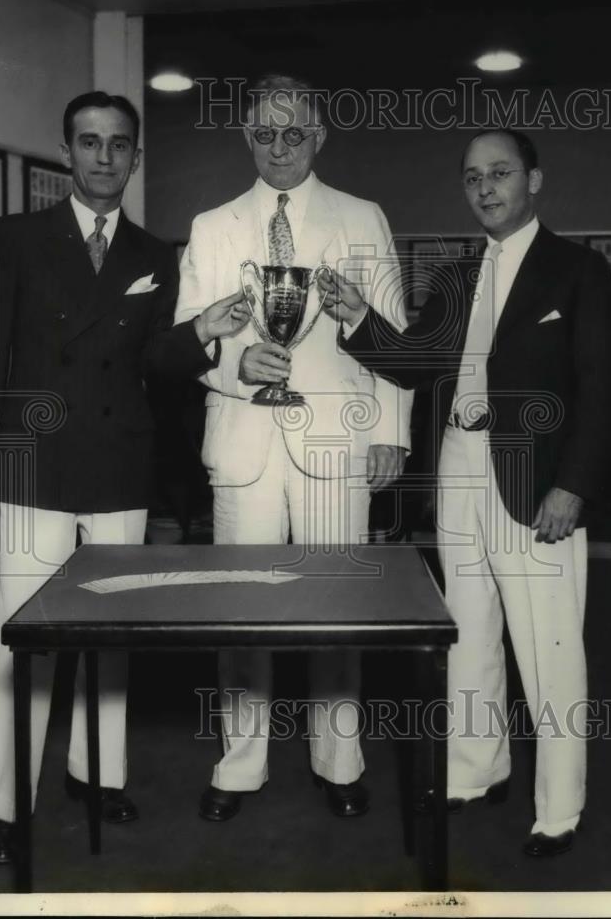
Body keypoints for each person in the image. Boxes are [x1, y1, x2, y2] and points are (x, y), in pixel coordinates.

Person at [319, 128, 611, 856]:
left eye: (500, 173)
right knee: (469, 634)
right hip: (458, 469)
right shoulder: (455, 277)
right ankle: (474, 769)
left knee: (548, 650)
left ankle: (558, 809)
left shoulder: (578, 270)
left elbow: (600, 391)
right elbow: (411, 362)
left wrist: (571, 488)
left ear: (534, 180)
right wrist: (358, 314)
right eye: (471, 177)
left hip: (535, 481)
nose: (485, 188)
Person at [0, 90, 251, 864]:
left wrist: (202, 333)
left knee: (111, 633)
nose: (103, 156)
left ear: (134, 157)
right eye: (89, 142)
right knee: (20, 639)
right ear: (66, 153)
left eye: (118, 144)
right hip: (35, 465)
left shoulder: (156, 255)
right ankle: (6, 805)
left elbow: (158, 360)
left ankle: (98, 775)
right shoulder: (15, 238)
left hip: (121, 465)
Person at [171, 74, 413, 821]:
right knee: (242, 607)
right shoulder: (213, 225)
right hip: (242, 440)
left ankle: (338, 759)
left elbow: (394, 335)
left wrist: (390, 433)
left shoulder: (360, 216)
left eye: (294, 133)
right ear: (246, 138)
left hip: (337, 438)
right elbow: (186, 334)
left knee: (334, 603)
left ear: (319, 136)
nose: (279, 148)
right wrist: (232, 364)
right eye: (265, 134)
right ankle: (238, 765)